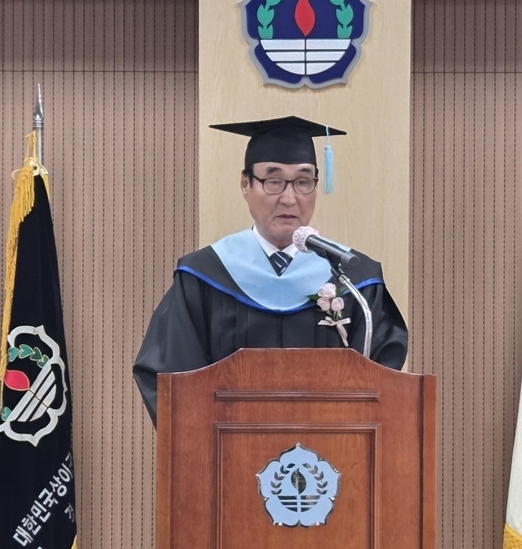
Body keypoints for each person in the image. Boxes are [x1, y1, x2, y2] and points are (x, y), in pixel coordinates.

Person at [134, 116, 407, 423]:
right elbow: (172, 378)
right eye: (273, 181)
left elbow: (382, 381)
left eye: (303, 181)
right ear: (245, 184)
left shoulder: (355, 281)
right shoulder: (204, 276)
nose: (289, 198)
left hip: (331, 451)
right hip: (226, 448)